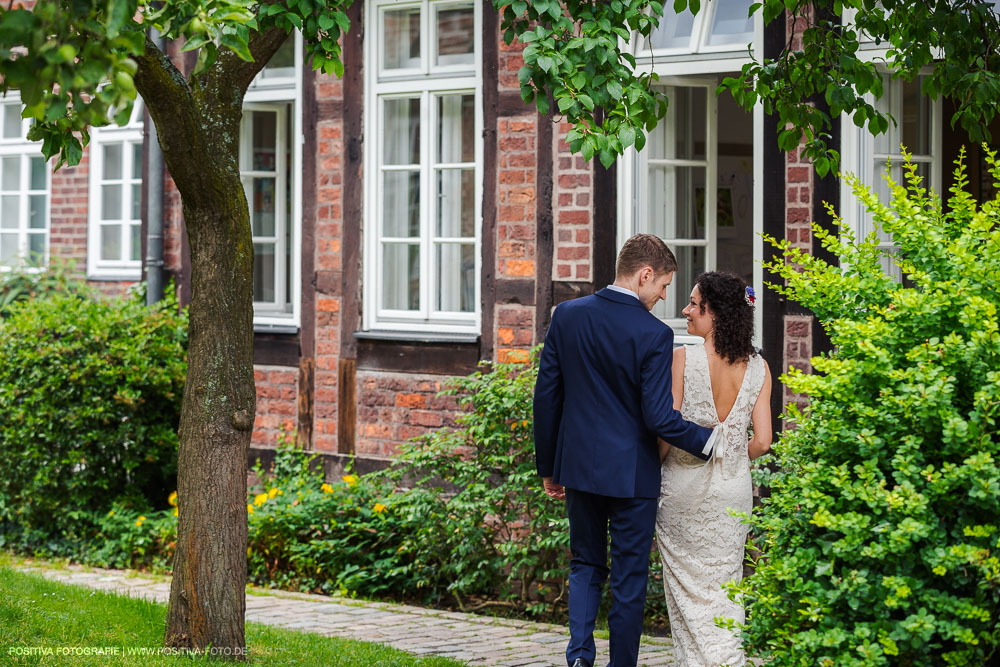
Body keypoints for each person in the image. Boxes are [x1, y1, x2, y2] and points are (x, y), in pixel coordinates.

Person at [533, 234, 718, 667]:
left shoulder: (567, 316)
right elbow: (659, 418)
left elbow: (547, 397)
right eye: (663, 286)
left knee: (585, 563)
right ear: (645, 274)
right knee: (630, 578)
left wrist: (549, 465)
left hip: (577, 467)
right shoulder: (653, 334)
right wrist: (709, 441)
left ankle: (579, 656)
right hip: (634, 474)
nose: (663, 297)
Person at [655, 272, 773, 667]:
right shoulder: (759, 367)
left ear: (716, 313)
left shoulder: (682, 359)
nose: (686, 310)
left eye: (693, 304)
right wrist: (733, 458)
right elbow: (763, 441)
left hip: (682, 490)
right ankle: (728, 659)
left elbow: (667, 432)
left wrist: (647, 470)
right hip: (732, 492)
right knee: (726, 586)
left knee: (687, 592)